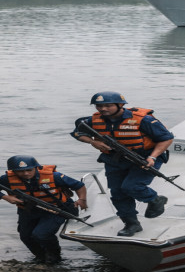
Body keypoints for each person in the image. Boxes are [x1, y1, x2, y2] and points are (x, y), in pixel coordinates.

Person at [71, 91, 173, 236]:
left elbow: (166, 138)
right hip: (114, 159)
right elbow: (77, 133)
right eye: (99, 106)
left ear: (120, 105)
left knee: (132, 186)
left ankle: (155, 199)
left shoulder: (143, 120)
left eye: (108, 105)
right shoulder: (92, 120)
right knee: (117, 193)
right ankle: (131, 224)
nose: (103, 109)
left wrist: (153, 157)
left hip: (144, 157)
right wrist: (93, 142)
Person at [0, 155, 87, 264]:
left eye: (29, 170)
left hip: (56, 209)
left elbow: (79, 186)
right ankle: (40, 257)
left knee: (41, 234)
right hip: (28, 210)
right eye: (20, 171)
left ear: (36, 168)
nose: (26, 173)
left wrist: (82, 200)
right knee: (26, 236)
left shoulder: (54, 176)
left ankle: (55, 257)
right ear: (13, 171)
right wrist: (6, 197)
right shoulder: (6, 178)